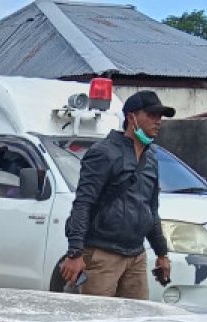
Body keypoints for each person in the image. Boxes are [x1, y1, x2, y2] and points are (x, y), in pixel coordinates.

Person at [61, 90, 173, 299]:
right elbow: (83, 203)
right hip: (102, 254)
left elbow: (151, 209)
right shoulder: (104, 152)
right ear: (132, 117)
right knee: (96, 321)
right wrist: (75, 252)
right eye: (151, 115)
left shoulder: (151, 159)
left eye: (160, 116)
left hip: (136, 256)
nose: (158, 121)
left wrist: (161, 253)